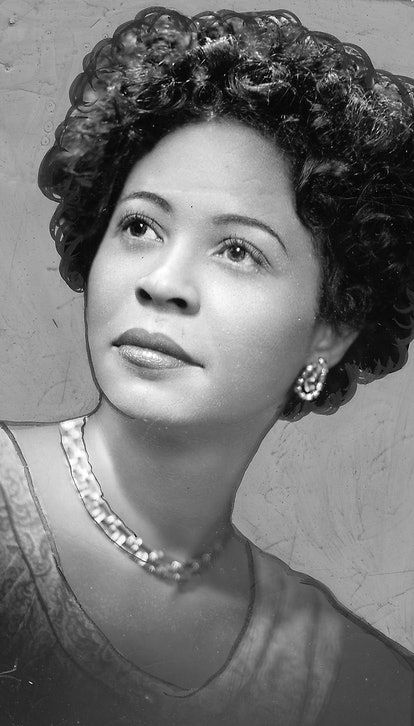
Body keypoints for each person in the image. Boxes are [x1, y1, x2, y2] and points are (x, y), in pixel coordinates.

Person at [1, 7, 413, 725]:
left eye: (238, 251)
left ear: (332, 329)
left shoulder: (352, 676)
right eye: (139, 225)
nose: (162, 281)